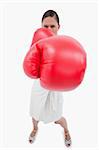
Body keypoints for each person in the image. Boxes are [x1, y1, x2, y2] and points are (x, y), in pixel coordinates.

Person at [28, 10, 72, 147]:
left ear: (59, 26)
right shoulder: (38, 42)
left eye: (52, 26)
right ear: (41, 26)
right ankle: (35, 128)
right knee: (35, 112)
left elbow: (69, 67)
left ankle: (66, 130)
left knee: (57, 115)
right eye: (45, 26)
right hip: (40, 83)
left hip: (56, 85)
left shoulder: (64, 45)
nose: (49, 29)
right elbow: (30, 66)